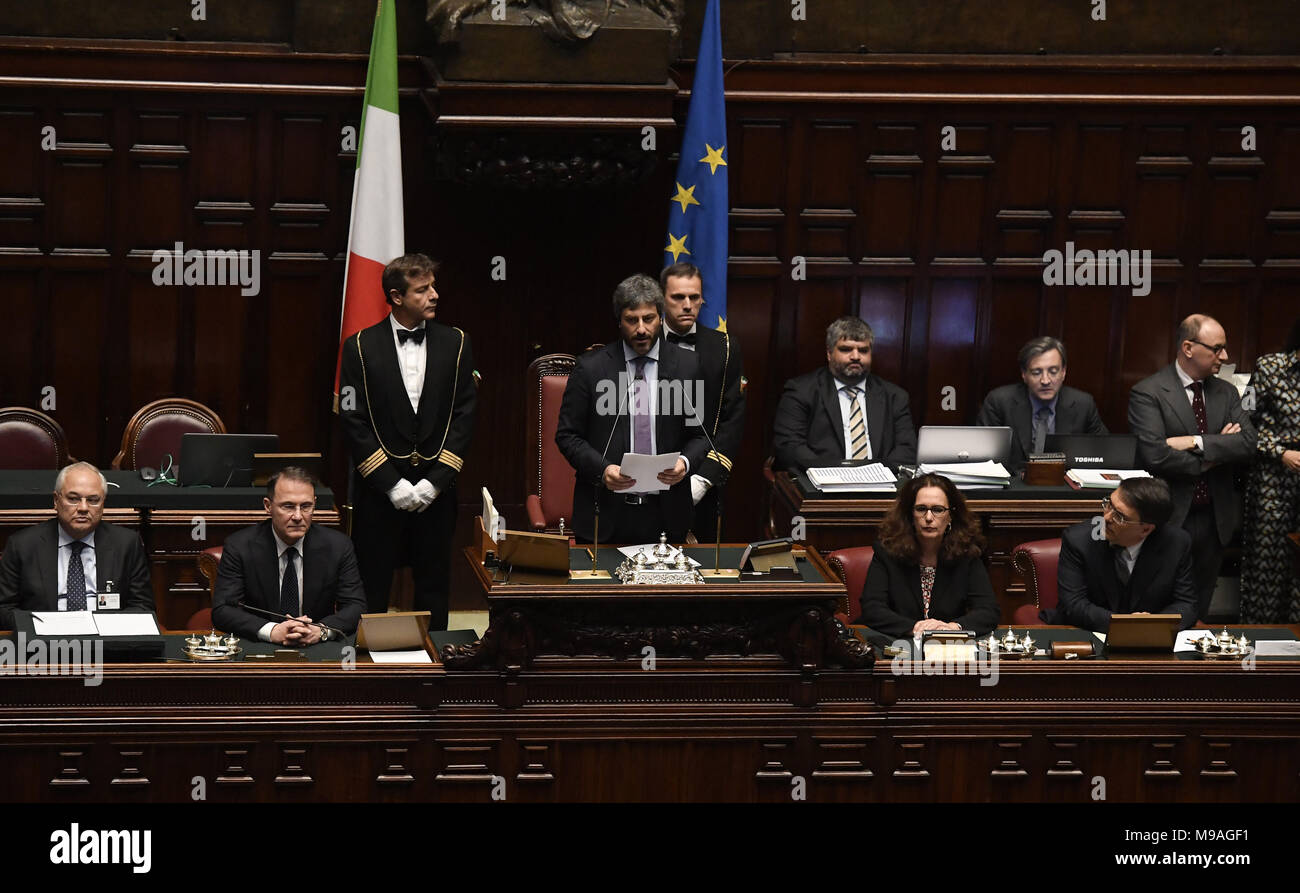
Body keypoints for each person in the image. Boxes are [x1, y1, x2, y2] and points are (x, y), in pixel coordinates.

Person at [339, 253, 476, 629]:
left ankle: (434, 672)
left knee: (434, 585)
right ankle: (369, 674)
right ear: (397, 297)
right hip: (380, 495)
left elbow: (464, 416)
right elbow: (353, 420)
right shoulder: (360, 347)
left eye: (433, 286)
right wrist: (391, 484)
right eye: (423, 289)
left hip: (437, 491)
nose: (434, 295)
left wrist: (435, 483)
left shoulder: (457, 342)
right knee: (373, 586)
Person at [556, 273, 709, 544]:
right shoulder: (590, 369)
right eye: (631, 320)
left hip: (667, 514)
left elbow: (700, 435)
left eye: (648, 319)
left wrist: (684, 464)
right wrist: (603, 470)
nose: (641, 329)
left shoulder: (687, 366)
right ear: (619, 322)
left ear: (661, 318)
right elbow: (568, 436)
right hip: (604, 513)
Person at [1128, 313, 1257, 621]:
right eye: (1217, 349)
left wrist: (1194, 442)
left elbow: (1249, 444)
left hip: (1215, 519)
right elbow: (1155, 456)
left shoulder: (1226, 392)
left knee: (1199, 608)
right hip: (1170, 516)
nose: (1225, 357)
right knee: (1160, 604)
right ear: (1188, 347)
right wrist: (1215, 453)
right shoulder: (1149, 392)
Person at [211, 467, 366, 644]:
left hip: (317, 647)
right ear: (268, 506)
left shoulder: (338, 546)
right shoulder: (239, 546)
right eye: (288, 506)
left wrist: (321, 630)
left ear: (314, 503)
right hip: (260, 648)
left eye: (306, 506)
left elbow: (356, 607)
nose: (298, 516)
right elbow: (223, 610)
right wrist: (272, 631)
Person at [0, 462, 153, 629]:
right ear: (56, 500)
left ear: (103, 503)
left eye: (93, 500)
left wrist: (104, 628)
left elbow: (143, 607)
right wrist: (45, 626)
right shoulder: (22, 545)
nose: (83, 508)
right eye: (73, 499)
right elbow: (4, 609)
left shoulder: (126, 543)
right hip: (44, 644)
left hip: (106, 644)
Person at [659, 262, 745, 540]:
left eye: (694, 297)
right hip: (646, 481)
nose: (687, 305)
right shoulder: (640, 343)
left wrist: (704, 478)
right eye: (678, 297)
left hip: (701, 481)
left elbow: (731, 419)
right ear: (662, 299)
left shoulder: (725, 348)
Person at [857, 473, 999, 639]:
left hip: (946, 649)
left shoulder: (967, 554)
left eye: (938, 510)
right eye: (921, 509)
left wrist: (952, 627)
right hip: (898, 644)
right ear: (910, 514)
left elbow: (988, 611)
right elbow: (872, 608)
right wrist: (916, 627)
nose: (929, 518)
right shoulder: (887, 552)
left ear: (951, 515)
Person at [773, 316, 917, 472]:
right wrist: (834, 474)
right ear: (829, 353)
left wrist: (874, 474)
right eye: (846, 349)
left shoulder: (894, 396)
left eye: (863, 350)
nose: (855, 356)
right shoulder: (801, 391)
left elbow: (907, 448)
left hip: (880, 484)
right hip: (822, 484)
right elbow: (789, 446)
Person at [1055, 477, 1198, 632]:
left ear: (1146, 529)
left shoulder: (1176, 543)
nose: (1106, 517)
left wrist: (1153, 624)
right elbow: (1073, 605)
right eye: (1109, 504)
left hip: (1151, 640)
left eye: (1119, 516)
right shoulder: (1078, 540)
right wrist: (1127, 625)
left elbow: (1187, 604)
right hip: (1091, 633)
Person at [1241, 316, 1300, 623]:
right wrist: (1280, 452)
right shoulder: (1270, 367)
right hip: (1273, 481)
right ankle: (1256, 644)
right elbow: (1244, 421)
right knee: (1268, 566)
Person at [975, 335, 1107, 470]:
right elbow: (981, 454)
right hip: (1013, 485)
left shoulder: (1083, 404)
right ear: (1024, 375)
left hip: (1065, 485)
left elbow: (1104, 452)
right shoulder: (999, 402)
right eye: (1036, 372)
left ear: (1063, 372)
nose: (1045, 380)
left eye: (1053, 371)